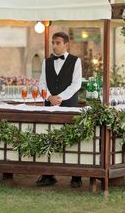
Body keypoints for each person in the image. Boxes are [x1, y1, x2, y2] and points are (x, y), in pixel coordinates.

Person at [37, 31, 82, 188]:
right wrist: (49, 97)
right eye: (53, 43)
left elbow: (76, 84)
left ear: (65, 44)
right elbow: (42, 83)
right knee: (48, 137)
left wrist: (59, 98)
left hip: (69, 106)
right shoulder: (46, 62)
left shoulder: (76, 61)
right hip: (50, 106)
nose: (54, 45)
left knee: (71, 140)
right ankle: (48, 175)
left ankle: (76, 176)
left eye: (57, 43)